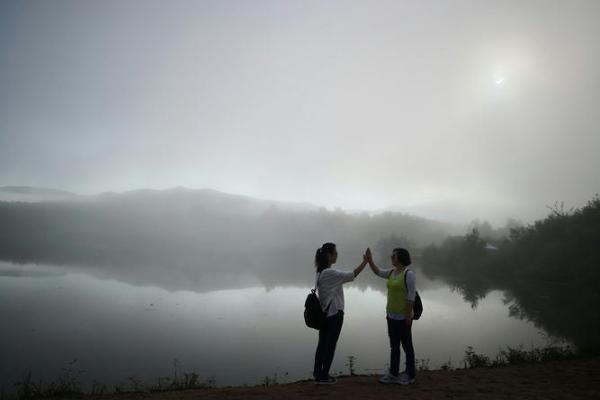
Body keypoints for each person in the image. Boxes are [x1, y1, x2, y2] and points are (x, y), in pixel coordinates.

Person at [313, 242, 368, 384]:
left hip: (324, 314)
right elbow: (352, 274)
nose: (337, 255)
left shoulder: (320, 272)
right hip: (334, 314)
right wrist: (365, 262)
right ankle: (324, 376)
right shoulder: (330, 273)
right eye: (335, 253)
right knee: (330, 346)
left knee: (322, 345)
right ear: (329, 255)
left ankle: (318, 373)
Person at [366, 247, 417, 385]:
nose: (391, 257)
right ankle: (394, 374)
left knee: (407, 346)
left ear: (400, 258)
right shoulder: (392, 272)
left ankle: (410, 375)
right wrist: (370, 261)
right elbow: (378, 271)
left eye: (393, 256)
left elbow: (411, 295)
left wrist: (408, 315)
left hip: (403, 317)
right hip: (391, 315)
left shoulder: (409, 274)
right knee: (394, 346)